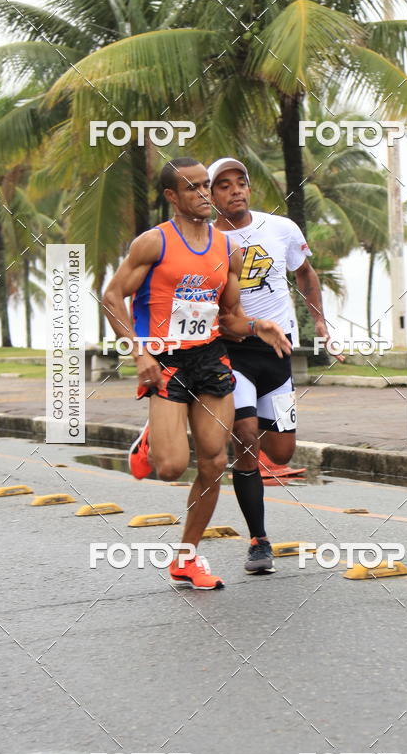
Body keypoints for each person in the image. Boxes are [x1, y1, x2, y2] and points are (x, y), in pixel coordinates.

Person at [103, 157, 291, 590]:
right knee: (171, 468)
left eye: (207, 186)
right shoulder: (154, 244)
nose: (205, 194)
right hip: (164, 363)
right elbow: (112, 296)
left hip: (210, 359)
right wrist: (140, 354)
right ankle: (153, 436)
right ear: (173, 196)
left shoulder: (228, 250)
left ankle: (186, 558)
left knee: (214, 462)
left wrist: (257, 327)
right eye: (194, 187)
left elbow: (230, 318)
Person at [209, 157, 342, 574]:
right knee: (246, 439)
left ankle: (229, 425)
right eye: (224, 185)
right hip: (233, 351)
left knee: (281, 452)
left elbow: (305, 274)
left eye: (241, 182)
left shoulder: (281, 229)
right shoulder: (205, 243)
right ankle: (259, 540)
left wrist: (319, 321)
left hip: (278, 353)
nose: (236, 190)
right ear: (209, 195)